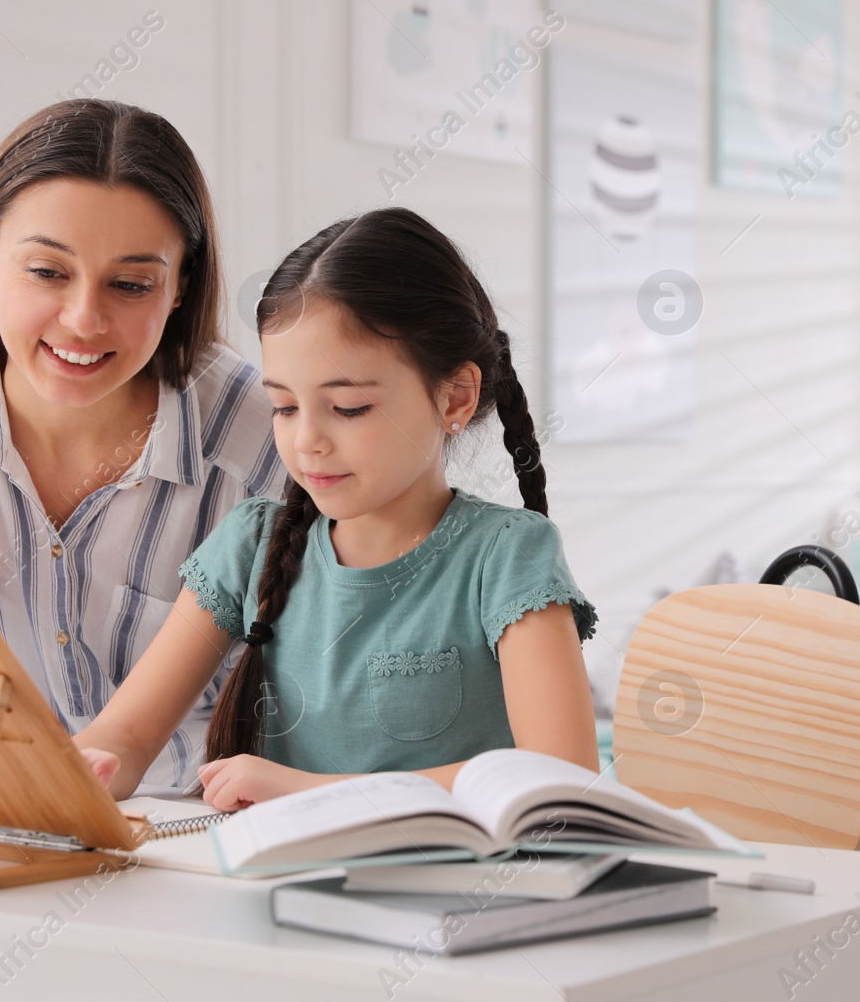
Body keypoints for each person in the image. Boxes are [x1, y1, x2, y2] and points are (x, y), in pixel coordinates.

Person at [0, 99, 282, 820]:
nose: (84, 320)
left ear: (181, 284)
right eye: (47, 272)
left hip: (186, 822)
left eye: (130, 284)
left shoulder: (262, 432)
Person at [72, 207, 601, 808]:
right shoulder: (250, 545)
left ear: (455, 397)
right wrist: (33, 782)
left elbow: (559, 776)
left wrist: (311, 793)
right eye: (285, 407)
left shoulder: (508, 556)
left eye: (348, 408)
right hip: (280, 891)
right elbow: (124, 738)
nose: (307, 442)